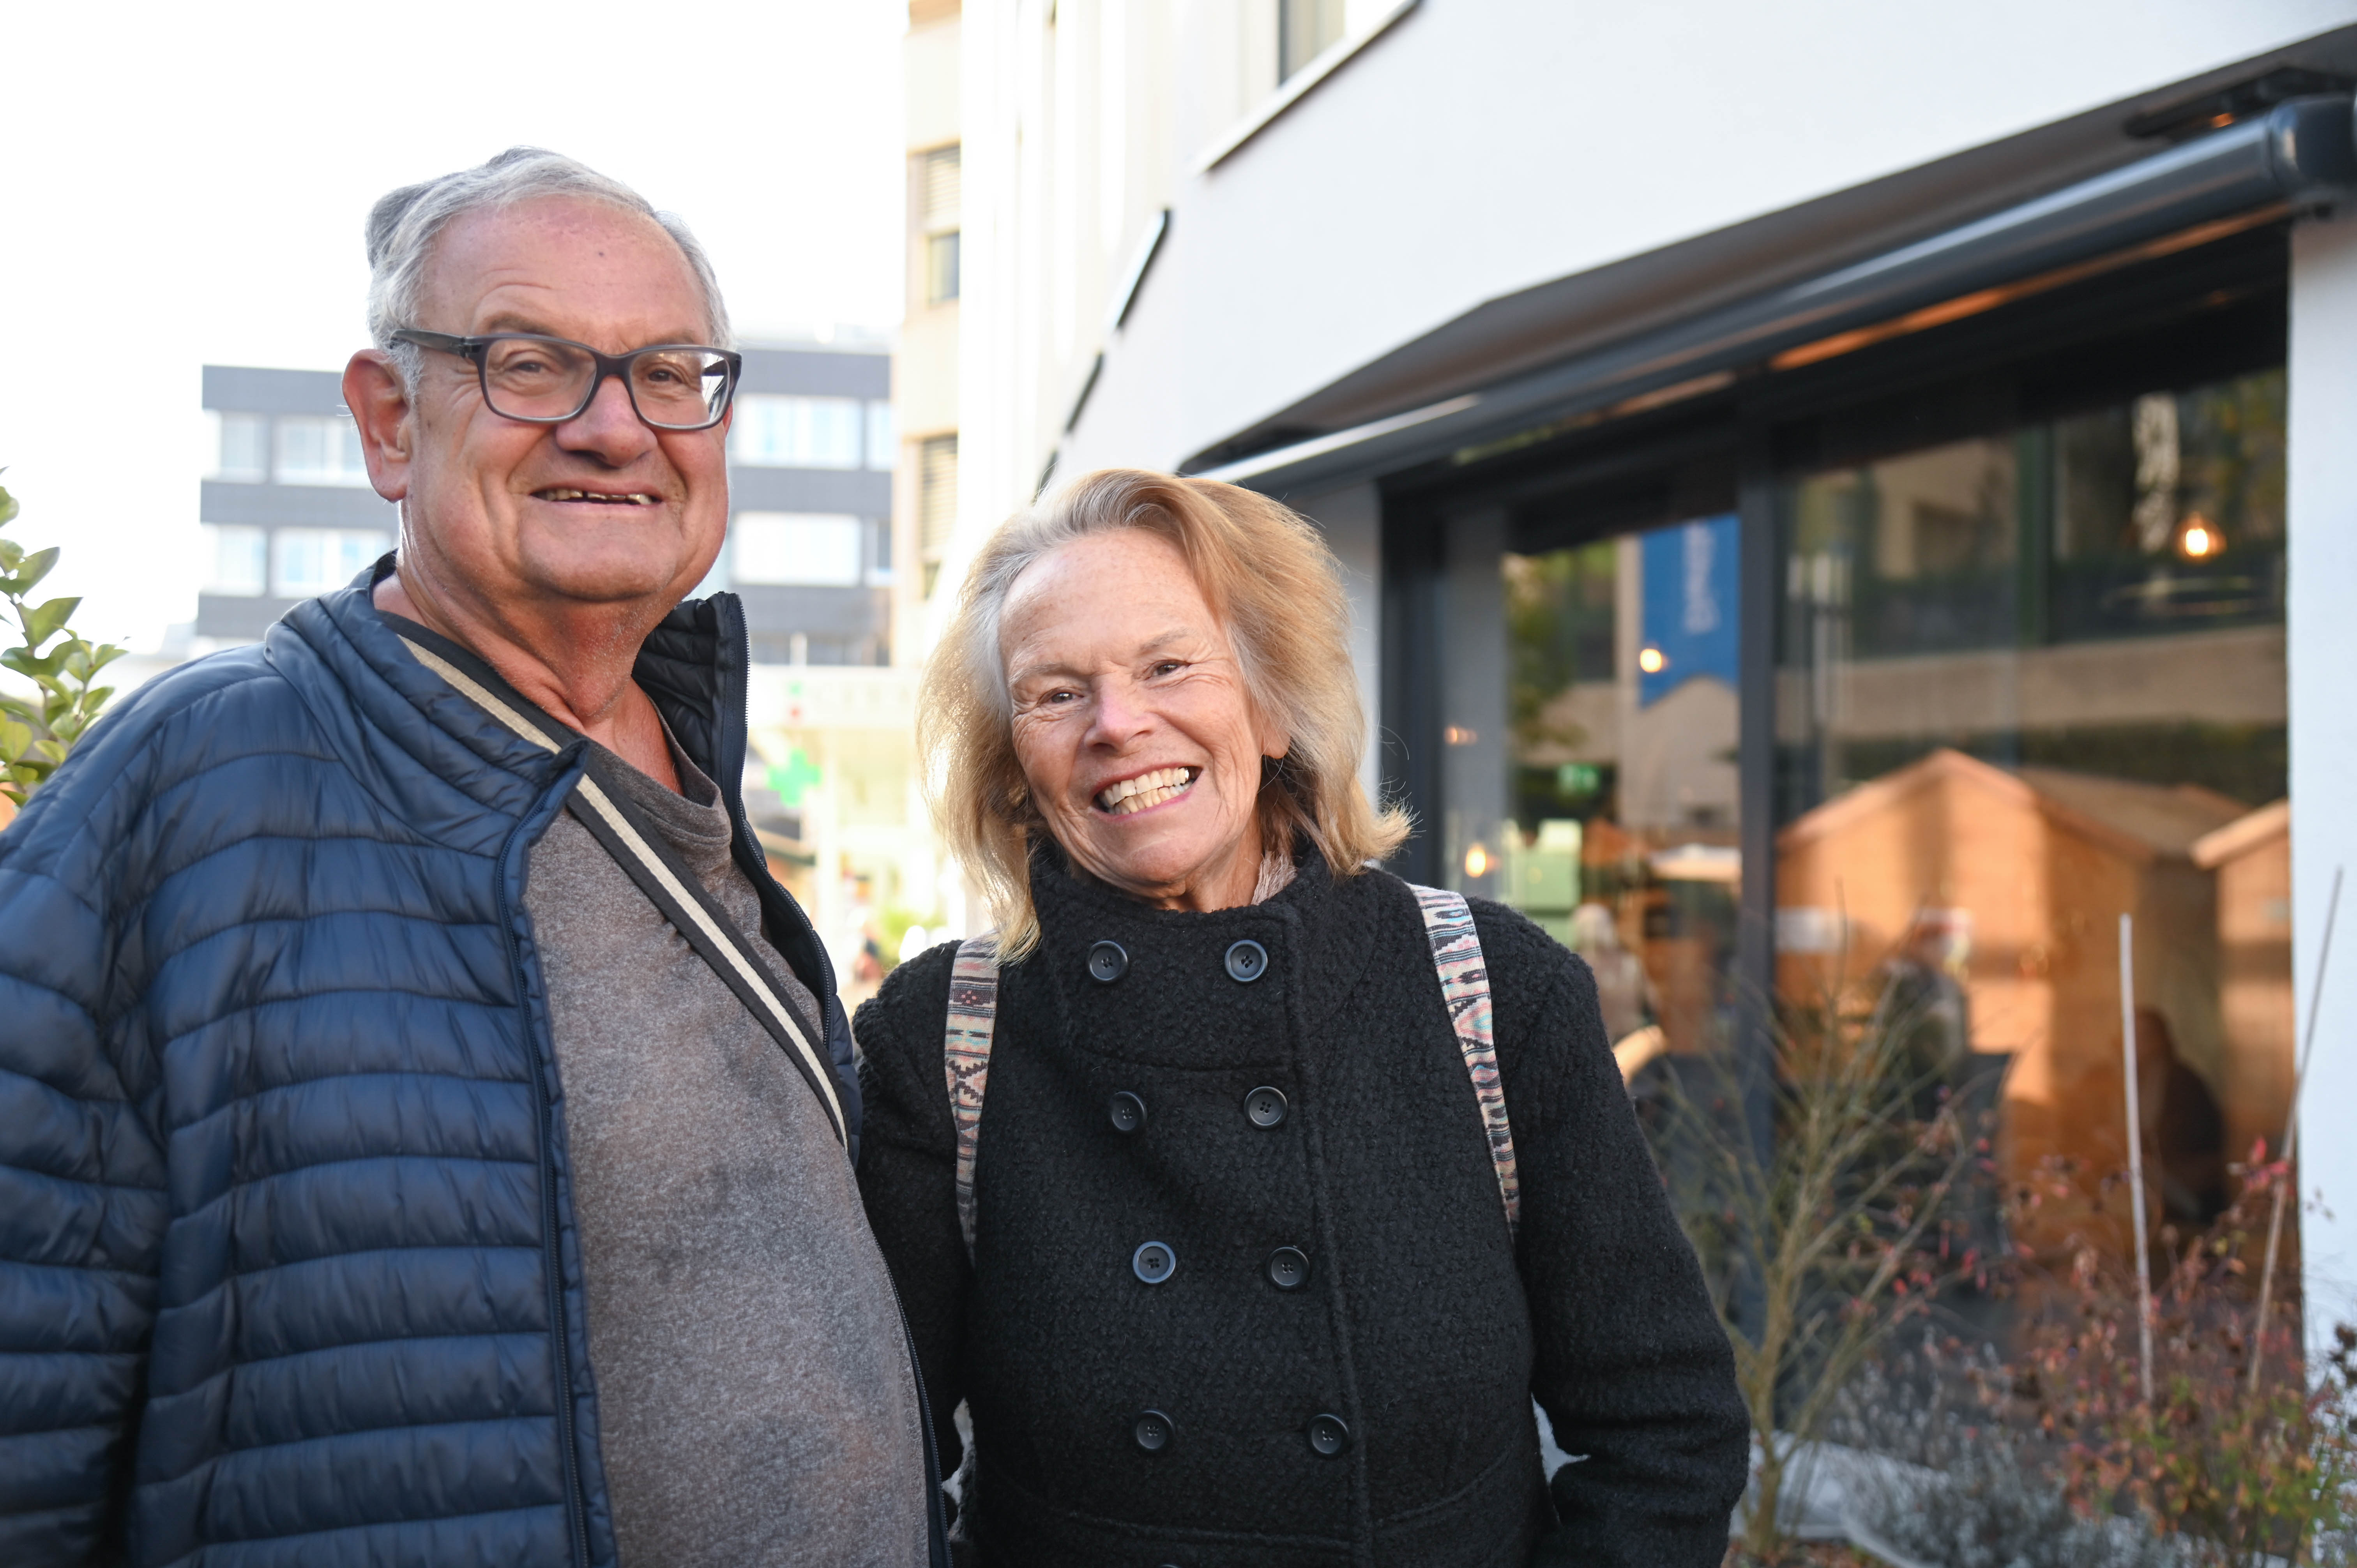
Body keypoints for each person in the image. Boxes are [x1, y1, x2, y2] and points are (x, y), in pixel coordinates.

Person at [0, 149, 944, 1568]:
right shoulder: (204, 782)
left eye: (668, 374)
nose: (615, 428)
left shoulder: (691, 764)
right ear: (389, 423)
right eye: (531, 364)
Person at [855, 469, 1748, 1566]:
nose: (1119, 724)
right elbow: (866, 1472)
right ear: (1014, 767)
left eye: (1168, 666)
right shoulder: (940, 1038)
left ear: (1274, 705)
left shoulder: (1496, 992)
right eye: (1056, 694)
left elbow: (1668, 1432)